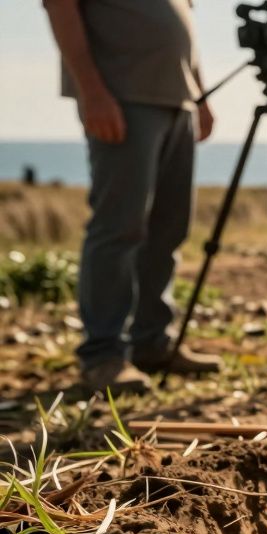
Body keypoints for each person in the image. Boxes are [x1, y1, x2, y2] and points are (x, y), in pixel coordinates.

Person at [44, 0, 223, 393]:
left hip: (178, 101)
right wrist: (92, 93)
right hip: (122, 97)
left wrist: (200, 94)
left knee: (168, 230)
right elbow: (60, 7)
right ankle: (103, 355)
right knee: (119, 227)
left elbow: (184, 25)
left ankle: (152, 343)